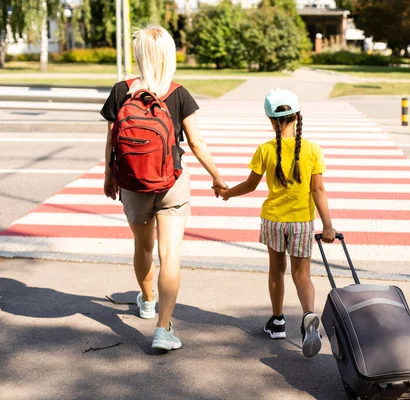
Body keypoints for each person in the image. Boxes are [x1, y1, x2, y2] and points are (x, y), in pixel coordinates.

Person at [100, 25, 227, 351]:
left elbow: (112, 139)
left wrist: (109, 176)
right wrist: (217, 176)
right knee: (170, 254)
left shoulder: (121, 90)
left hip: (132, 184)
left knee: (143, 247)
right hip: (171, 183)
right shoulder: (179, 93)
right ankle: (163, 329)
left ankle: (146, 299)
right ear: (169, 56)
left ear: (139, 54)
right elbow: (197, 144)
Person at [215, 89, 336, 358]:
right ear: (298, 116)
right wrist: (328, 226)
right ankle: (307, 318)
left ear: (271, 120)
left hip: (273, 220)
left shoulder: (265, 150)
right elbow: (318, 191)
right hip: (302, 222)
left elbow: (249, 184)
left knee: (276, 271)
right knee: (301, 275)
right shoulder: (313, 149)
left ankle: (278, 321)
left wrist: (226, 193)